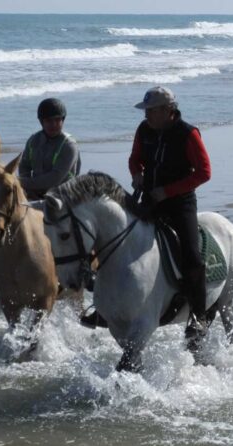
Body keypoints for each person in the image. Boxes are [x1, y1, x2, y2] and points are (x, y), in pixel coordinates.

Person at [82, 87, 212, 347]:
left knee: (192, 256)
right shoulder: (144, 130)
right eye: (146, 111)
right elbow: (134, 160)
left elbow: (204, 172)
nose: (147, 115)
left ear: (168, 111)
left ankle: (198, 319)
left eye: (151, 111)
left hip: (179, 204)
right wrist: (136, 174)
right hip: (149, 197)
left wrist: (168, 191)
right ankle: (104, 307)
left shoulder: (188, 133)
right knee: (114, 238)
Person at [18, 98, 81, 200]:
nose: (54, 124)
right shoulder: (33, 141)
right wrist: (28, 191)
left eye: (57, 120)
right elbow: (24, 166)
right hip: (34, 194)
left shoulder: (69, 145)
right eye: (49, 121)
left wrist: (19, 182)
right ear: (41, 122)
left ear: (63, 120)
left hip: (63, 198)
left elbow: (53, 179)